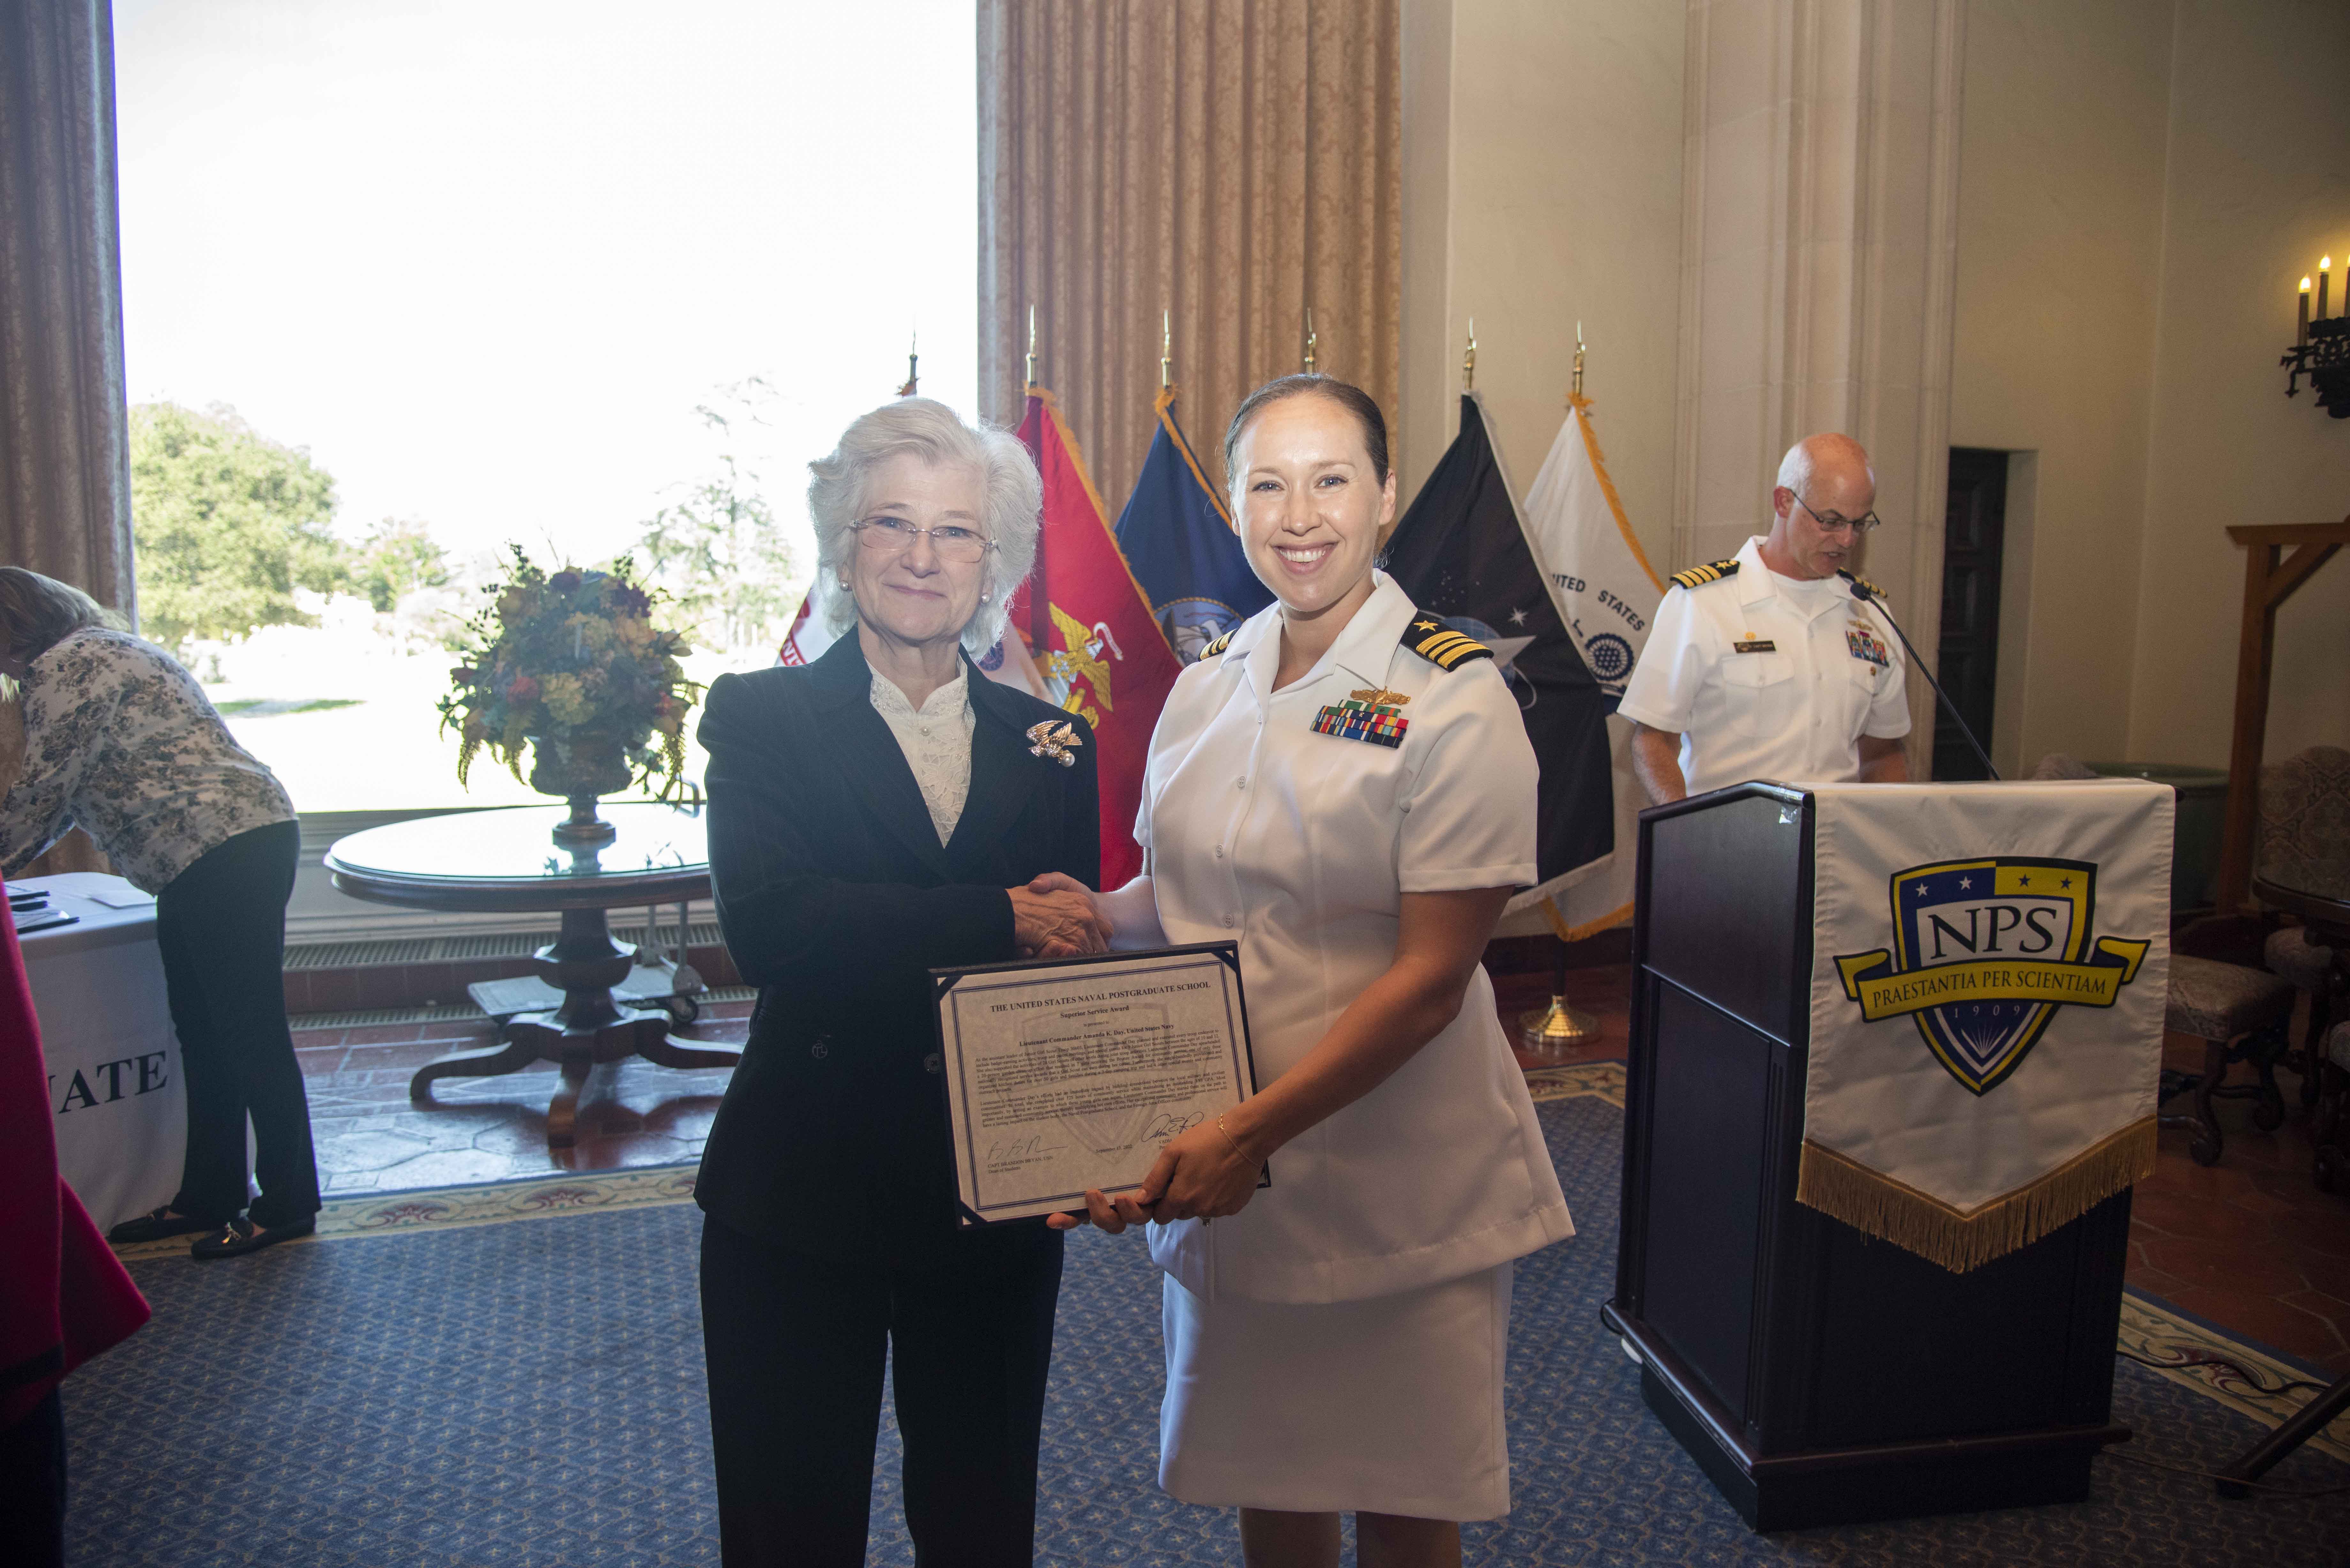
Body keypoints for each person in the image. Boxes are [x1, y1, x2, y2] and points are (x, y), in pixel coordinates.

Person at [1041, 375, 1574, 1566]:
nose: (1300, 514)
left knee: (1400, 1496)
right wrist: (1088, 914)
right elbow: (1187, 897)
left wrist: (1250, 1133)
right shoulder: (1205, 685)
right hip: (1230, 1163)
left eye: (1331, 478)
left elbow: (1433, 978)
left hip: (1393, 1172)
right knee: (1271, 1482)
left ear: (1385, 493)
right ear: (1233, 506)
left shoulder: (1455, 694)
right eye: (1268, 484)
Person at [693, 398, 1110, 1567]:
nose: (924, 556)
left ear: (997, 563)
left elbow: (1060, 969)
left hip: (996, 1190)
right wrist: (995, 917)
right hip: (800, 1190)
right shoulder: (760, 715)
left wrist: (1096, 1136)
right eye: (893, 522)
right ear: (843, 541)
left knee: (983, 1523)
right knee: (790, 1524)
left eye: (958, 532)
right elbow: (777, 928)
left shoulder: (1054, 740)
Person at [0, 568, 319, 1259]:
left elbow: (39, 791)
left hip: (219, 848)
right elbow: (67, 796)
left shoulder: (68, 665)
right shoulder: (109, 648)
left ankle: (290, 1202)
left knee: (246, 1032)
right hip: (222, 844)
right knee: (204, 1033)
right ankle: (209, 1193)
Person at [1618, 433, 1911, 805]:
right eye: (1832, 521)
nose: (1848, 540)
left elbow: (1882, 752)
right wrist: (1687, 831)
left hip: (1838, 850)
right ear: (1784, 501)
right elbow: (1653, 741)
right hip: (1727, 842)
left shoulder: (1871, 615)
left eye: (1859, 524)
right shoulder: (1703, 604)